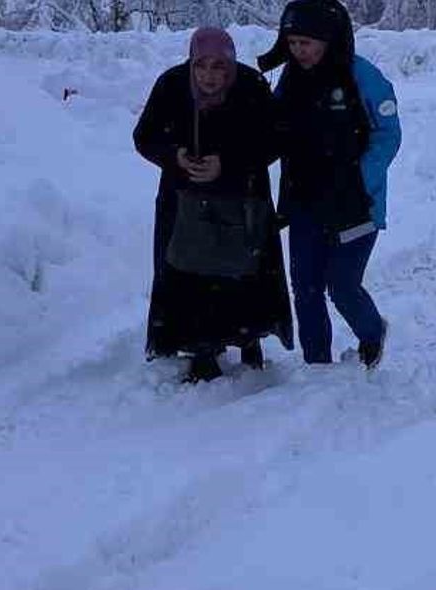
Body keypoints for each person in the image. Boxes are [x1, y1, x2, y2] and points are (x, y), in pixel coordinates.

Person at [133, 27, 294, 383]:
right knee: (190, 273)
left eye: (219, 67)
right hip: (184, 200)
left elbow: (275, 138)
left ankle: (247, 337)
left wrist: (229, 161)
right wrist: (175, 156)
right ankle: (201, 348)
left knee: (245, 271)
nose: (209, 76)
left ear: (231, 65)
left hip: (243, 197)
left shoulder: (251, 87)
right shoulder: (172, 85)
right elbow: (144, 136)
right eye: (201, 66)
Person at [258, 0, 401, 368]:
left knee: (342, 286)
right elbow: (275, 131)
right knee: (305, 287)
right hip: (304, 201)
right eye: (292, 43)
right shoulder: (290, 78)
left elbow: (388, 135)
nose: (298, 51)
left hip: (357, 206)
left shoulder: (363, 76)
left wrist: (356, 180)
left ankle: (372, 333)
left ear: (329, 39)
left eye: (306, 43)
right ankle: (317, 364)